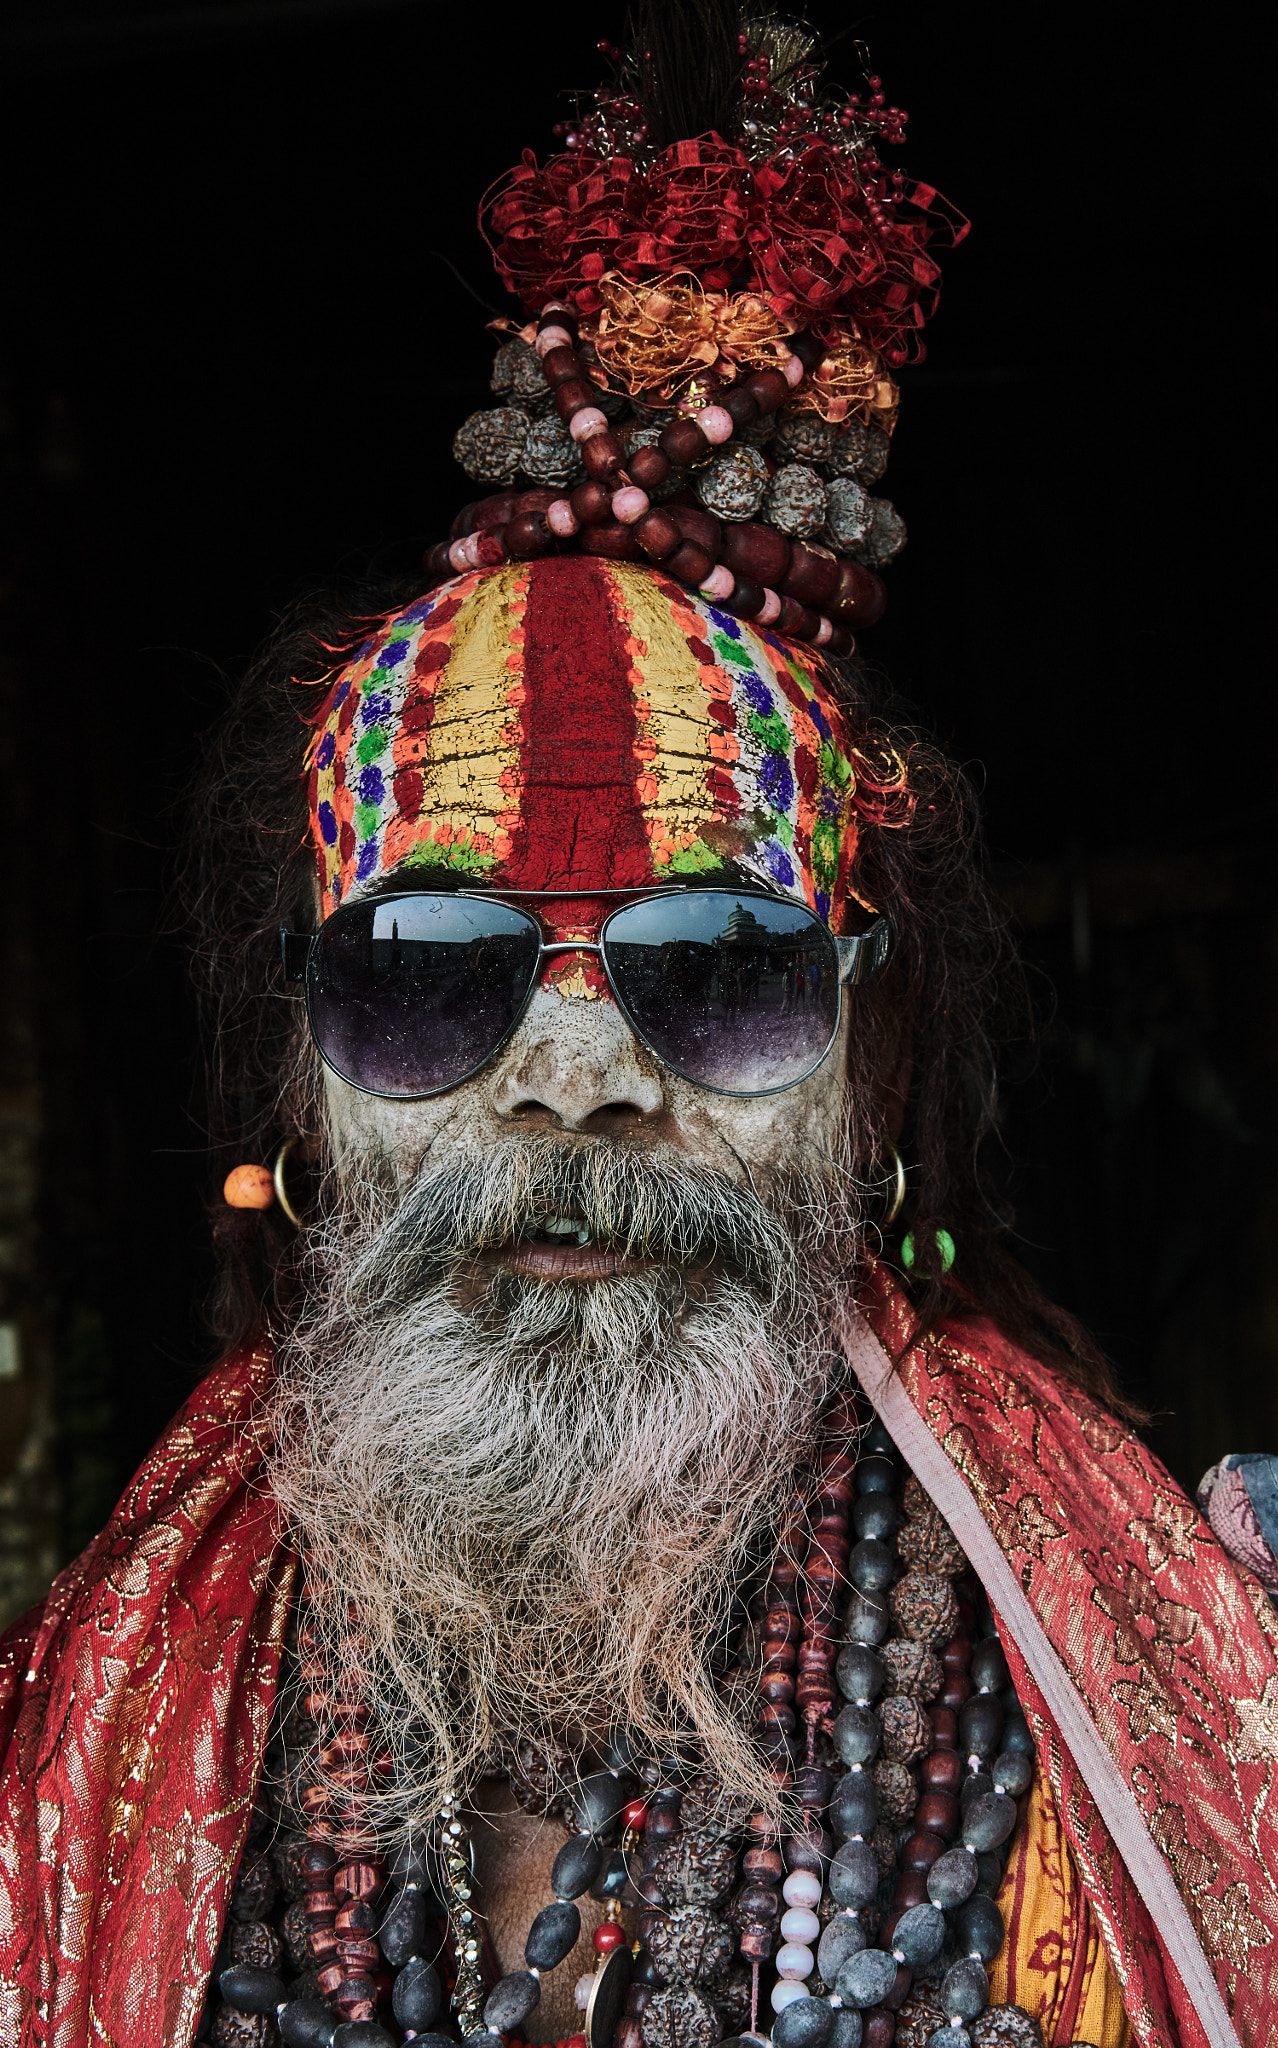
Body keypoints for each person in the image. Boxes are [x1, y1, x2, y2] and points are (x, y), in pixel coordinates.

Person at [2, 11, 1275, 2048]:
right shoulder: (111, 1702)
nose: (578, 1067)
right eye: (434, 971)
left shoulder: (1162, 1685)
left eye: (715, 969)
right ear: (312, 1081)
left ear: (860, 1065)